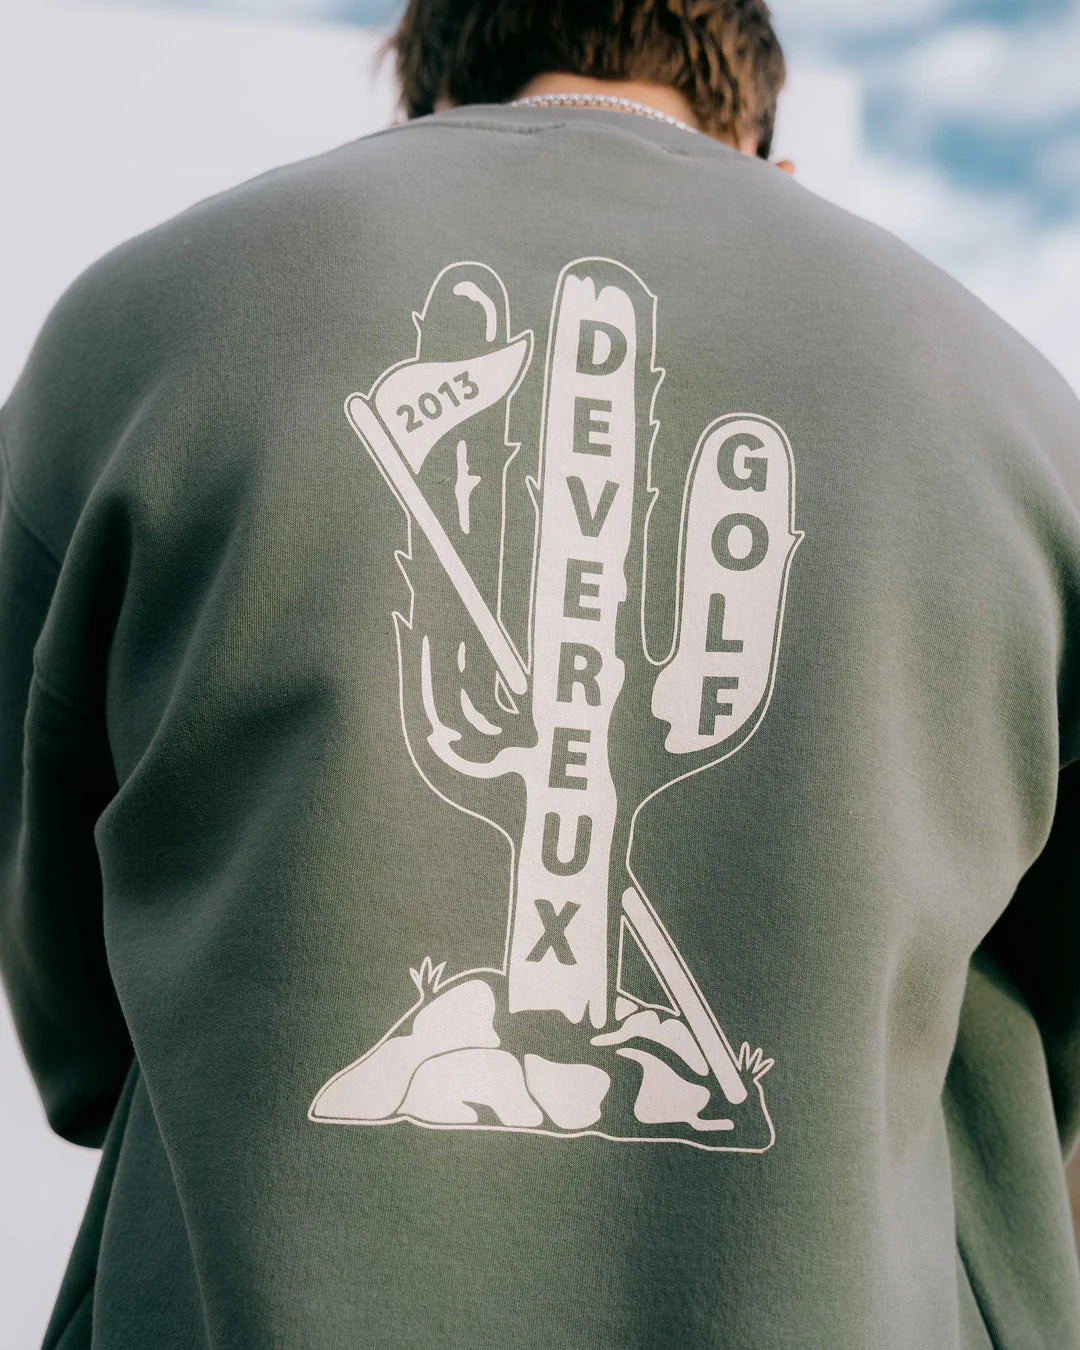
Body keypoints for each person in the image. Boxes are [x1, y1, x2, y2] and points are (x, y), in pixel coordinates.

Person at [3, 0, 1080, 1345]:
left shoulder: (141, 327)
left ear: (418, 113)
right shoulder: (1024, 422)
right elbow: (1048, 1033)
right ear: (773, 158)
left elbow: (71, 996)